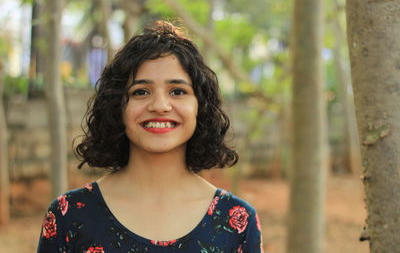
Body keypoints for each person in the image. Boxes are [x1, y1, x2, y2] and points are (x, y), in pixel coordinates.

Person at [37, 20, 264, 253]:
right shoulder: (69, 214)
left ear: (200, 107)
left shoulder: (237, 221)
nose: (160, 106)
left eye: (177, 91)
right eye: (141, 92)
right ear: (118, 107)